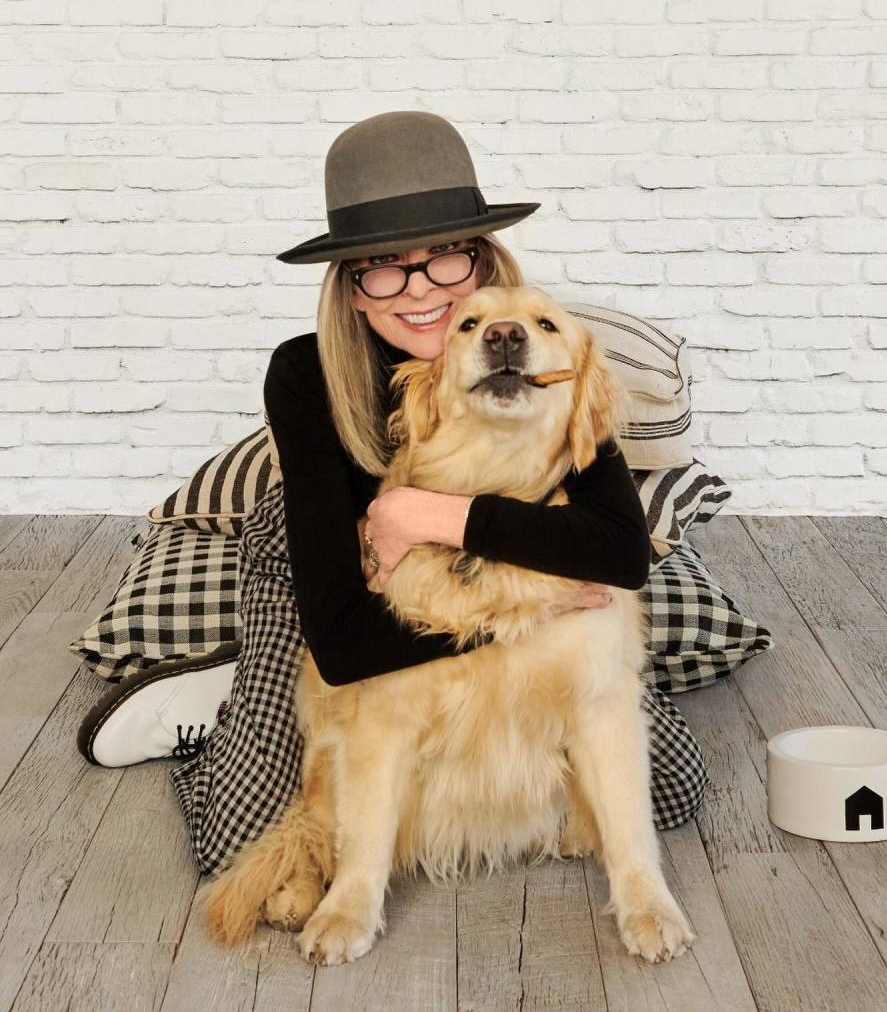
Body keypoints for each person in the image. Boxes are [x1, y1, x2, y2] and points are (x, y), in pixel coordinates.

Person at [77, 110, 707, 878]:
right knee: (238, 844)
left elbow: (621, 553)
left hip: (509, 576)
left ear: (483, 261)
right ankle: (224, 694)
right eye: (384, 265)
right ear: (352, 289)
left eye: (446, 256)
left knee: (670, 793)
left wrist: (427, 514)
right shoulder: (304, 374)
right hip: (340, 585)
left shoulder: (537, 350)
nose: (421, 290)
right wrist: (530, 610)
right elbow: (345, 646)